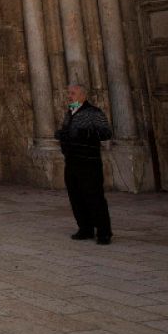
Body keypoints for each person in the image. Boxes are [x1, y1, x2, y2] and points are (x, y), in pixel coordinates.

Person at [56, 83, 113, 244]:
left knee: (94, 196)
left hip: (89, 163)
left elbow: (106, 132)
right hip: (72, 161)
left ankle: (104, 232)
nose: (69, 96)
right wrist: (61, 135)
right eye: (69, 93)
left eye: (72, 93)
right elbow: (67, 131)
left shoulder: (94, 112)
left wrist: (84, 133)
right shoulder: (70, 112)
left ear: (82, 95)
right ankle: (85, 228)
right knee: (76, 196)